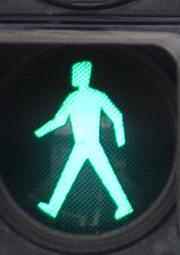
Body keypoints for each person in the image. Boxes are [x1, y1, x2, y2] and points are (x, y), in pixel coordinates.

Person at [34, 60, 135, 222]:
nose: (74, 76)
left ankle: (124, 205)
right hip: (83, 145)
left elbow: (117, 116)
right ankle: (54, 207)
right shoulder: (90, 96)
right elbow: (117, 116)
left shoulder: (80, 97)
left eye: (76, 73)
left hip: (90, 145)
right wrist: (40, 132)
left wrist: (121, 139)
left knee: (100, 176)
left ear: (83, 76)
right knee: (74, 176)